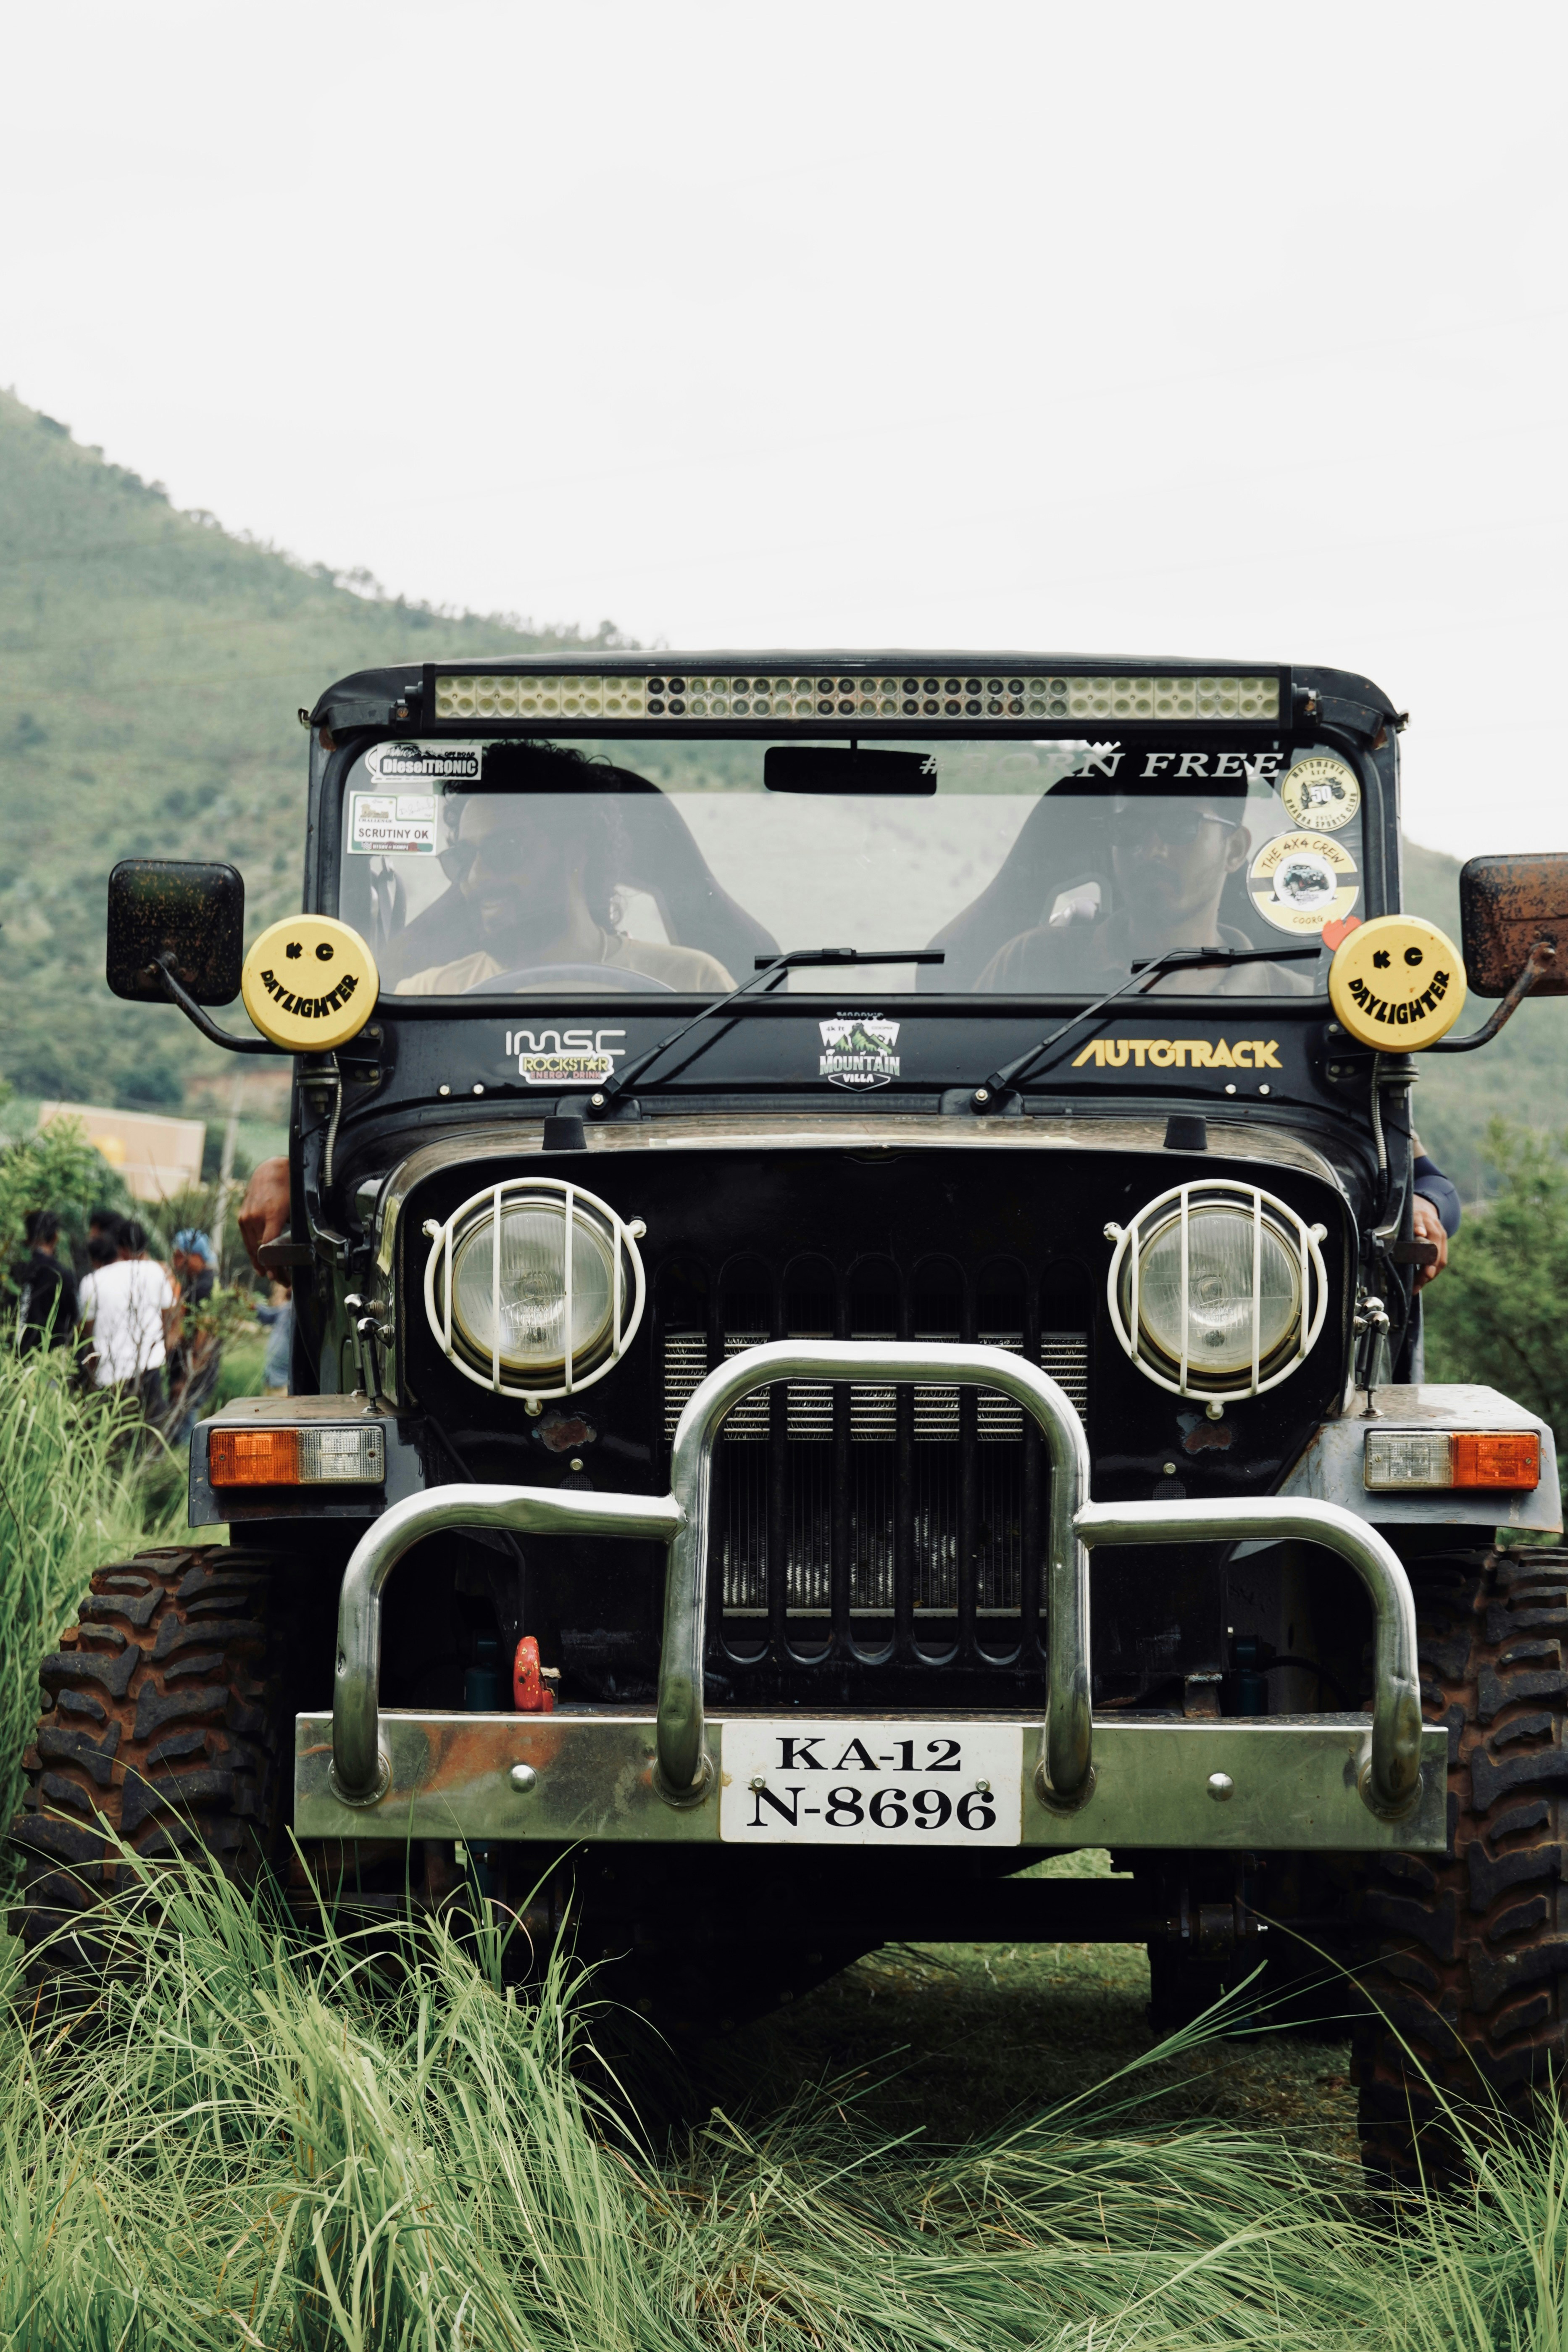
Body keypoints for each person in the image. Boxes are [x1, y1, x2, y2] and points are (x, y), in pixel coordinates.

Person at [389, 767, 734, 996]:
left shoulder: (694, 983)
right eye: (462, 859)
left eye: (506, 850)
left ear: (576, 850)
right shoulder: (425, 996)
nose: (475, 878)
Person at [978, 782, 1310, 998]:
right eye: (1129, 829)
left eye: (1181, 826)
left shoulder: (1298, 1000)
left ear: (1235, 849)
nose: (1152, 851)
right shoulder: (1030, 963)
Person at [78, 1216, 177, 1418]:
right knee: (150, 1437)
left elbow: (86, 1337)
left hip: (110, 1376)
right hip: (151, 1369)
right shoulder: (157, 1272)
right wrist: (165, 1351)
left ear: (118, 1247)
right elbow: (171, 1319)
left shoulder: (92, 1281)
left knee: (112, 1440)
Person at [166, 1228, 222, 1437]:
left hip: (193, 1372)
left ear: (196, 1257)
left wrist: (187, 1378)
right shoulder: (199, 1282)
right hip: (193, 1370)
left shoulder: (205, 1287)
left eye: (180, 1256)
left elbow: (204, 1335)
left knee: (186, 1429)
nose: (176, 1262)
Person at [11, 1209, 79, 1355]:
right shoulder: (62, 1276)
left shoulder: (14, 1272)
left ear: (28, 1237)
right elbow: (73, 1319)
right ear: (56, 1237)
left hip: (10, 1359)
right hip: (47, 1360)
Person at [256, 1282, 293, 1394]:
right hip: (271, 1378)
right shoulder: (286, 1309)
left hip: (284, 1383)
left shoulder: (301, 1312)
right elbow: (267, 1316)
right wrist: (253, 1306)